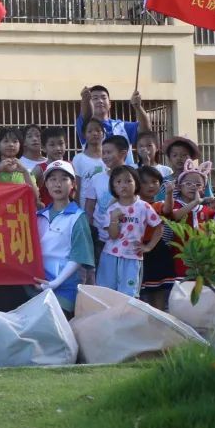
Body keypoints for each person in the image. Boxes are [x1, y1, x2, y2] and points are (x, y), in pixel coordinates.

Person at [33, 160, 94, 316]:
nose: (57, 184)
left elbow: (79, 256)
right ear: (46, 184)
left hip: (65, 289)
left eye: (64, 179)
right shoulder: (39, 216)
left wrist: (54, 283)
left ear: (73, 184)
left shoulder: (78, 217)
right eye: (52, 179)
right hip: (38, 284)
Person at [97, 165, 162, 298]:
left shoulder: (144, 206)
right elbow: (113, 235)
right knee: (105, 294)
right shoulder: (112, 209)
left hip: (132, 257)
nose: (123, 185)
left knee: (128, 296)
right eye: (118, 182)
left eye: (128, 181)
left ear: (136, 183)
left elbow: (159, 227)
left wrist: (149, 246)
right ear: (113, 186)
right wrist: (114, 219)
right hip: (110, 256)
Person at [163, 160, 215, 278]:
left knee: (201, 281)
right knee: (182, 281)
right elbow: (175, 216)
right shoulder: (176, 204)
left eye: (198, 185)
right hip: (181, 252)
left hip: (202, 253)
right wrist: (195, 202)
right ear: (179, 187)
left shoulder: (204, 209)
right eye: (188, 184)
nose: (193, 187)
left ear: (203, 189)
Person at [82, 134, 130, 265]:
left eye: (109, 152)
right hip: (101, 238)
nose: (105, 156)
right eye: (103, 153)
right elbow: (89, 208)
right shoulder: (96, 178)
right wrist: (89, 231)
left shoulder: (133, 177)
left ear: (123, 153)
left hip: (127, 237)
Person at [76, 85, 152, 163]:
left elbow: (146, 129)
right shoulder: (85, 125)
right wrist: (85, 99)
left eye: (103, 98)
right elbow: (86, 114)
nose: (100, 101)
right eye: (95, 98)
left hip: (125, 170)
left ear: (110, 104)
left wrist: (138, 107)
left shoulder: (122, 126)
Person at [137, 165, 178, 310]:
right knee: (141, 294)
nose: (150, 186)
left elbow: (167, 210)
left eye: (154, 182)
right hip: (137, 250)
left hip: (157, 251)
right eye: (144, 182)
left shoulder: (158, 205)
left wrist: (169, 193)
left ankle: (158, 320)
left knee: (159, 291)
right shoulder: (132, 205)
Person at [0, 128, 37, 195]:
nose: (11, 144)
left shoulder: (27, 172)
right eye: (6, 141)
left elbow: (35, 197)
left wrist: (25, 172)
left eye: (15, 141)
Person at [33, 127, 69, 207]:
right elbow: (27, 189)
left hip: (69, 212)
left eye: (61, 143)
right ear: (43, 148)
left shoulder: (71, 166)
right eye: (52, 145)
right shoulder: (39, 169)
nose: (58, 148)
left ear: (66, 144)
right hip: (46, 212)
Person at [71, 117, 106, 195]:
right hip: (84, 202)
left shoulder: (110, 157)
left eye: (98, 130)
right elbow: (76, 188)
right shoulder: (78, 159)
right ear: (84, 135)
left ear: (103, 134)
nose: (95, 134)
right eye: (90, 131)